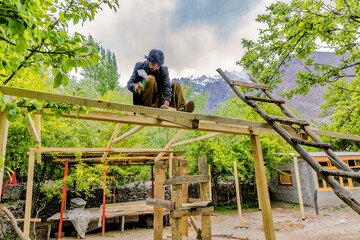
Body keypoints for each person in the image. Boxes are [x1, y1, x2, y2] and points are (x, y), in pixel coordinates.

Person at [127, 49, 195, 112]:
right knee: (150, 78)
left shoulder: (164, 70)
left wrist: (166, 102)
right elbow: (130, 83)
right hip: (144, 101)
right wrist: (136, 87)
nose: (155, 68)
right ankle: (147, 108)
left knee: (176, 85)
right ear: (148, 60)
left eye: (158, 66)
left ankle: (182, 110)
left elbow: (166, 87)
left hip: (158, 101)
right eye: (153, 65)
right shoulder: (139, 66)